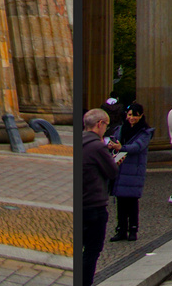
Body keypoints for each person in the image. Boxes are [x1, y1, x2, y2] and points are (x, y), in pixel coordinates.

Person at [75, 108, 116, 286]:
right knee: (91, 252)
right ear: (100, 124)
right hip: (94, 206)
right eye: (106, 126)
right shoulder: (98, 146)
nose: (105, 130)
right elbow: (112, 172)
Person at [108, 104, 152, 242]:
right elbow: (114, 140)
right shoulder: (120, 129)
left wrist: (122, 147)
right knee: (120, 201)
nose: (131, 118)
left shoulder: (145, 132)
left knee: (132, 201)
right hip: (121, 168)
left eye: (134, 115)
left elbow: (138, 146)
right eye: (129, 115)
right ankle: (121, 229)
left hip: (134, 170)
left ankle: (133, 229)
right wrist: (111, 145)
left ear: (140, 116)